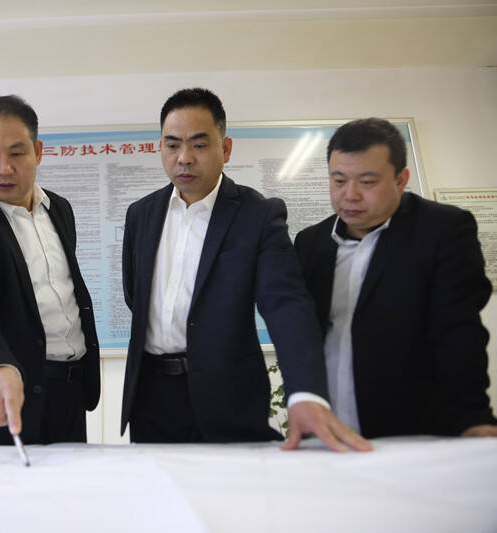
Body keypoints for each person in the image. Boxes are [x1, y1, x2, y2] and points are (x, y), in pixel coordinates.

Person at [121, 87, 371, 451]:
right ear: (160, 147)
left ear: (225, 149)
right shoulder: (140, 215)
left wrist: (306, 392)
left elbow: (285, 304)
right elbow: (136, 296)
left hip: (227, 398)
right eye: (172, 145)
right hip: (151, 398)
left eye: (199, 145)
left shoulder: (257, 215)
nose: (184, 158)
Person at [294, 117, 497, 438]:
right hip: (329, 430)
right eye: (339, 180)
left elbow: (458, 331)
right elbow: (302, 332)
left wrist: (474, 416)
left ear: (401, 180)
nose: (350, 195)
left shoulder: (442, 230)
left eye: (367, 182)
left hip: (415, 429)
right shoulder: (311, 242)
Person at [0, 95, 100, 444]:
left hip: (70, 395)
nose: (4, 168)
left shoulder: (59, 209)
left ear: (37, 152)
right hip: (7, 396)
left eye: (16, 153)